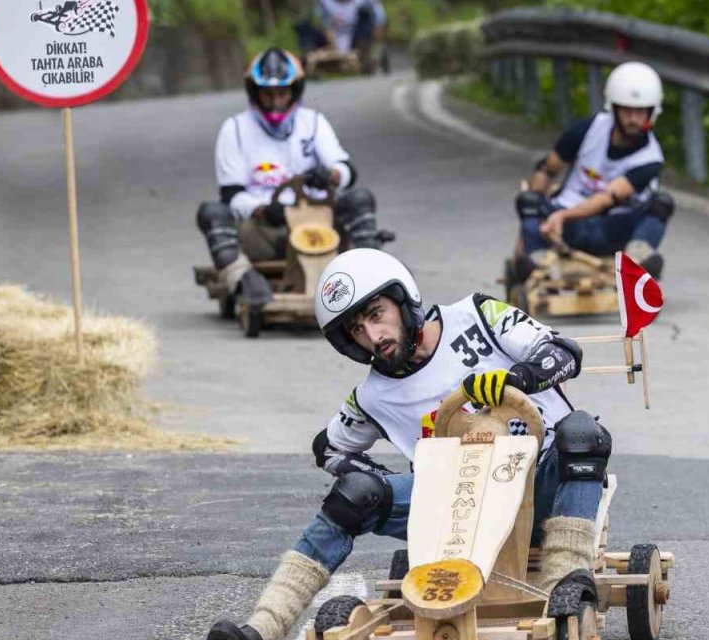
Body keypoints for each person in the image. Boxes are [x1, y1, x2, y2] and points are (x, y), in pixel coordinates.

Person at [206, 249, 614, 640]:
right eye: (356, 330)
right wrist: (385, 481)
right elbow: (328, 449)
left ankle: (566, 588)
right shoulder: (371, 397)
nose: (373, 336)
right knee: (356, 493)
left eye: (375, 314)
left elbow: (564, 352)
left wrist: (517, 379)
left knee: (580, 431)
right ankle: (263, 626)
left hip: (538, 483)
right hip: (454, 503)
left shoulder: (478, 315)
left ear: (403, 301)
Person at [197, 48, 385, 313]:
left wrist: (330, 175)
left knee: (360, 198)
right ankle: (244, 280)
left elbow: (346, 170)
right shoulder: (234, 129)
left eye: (282, 93)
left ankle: (374, 278)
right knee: (211, 212)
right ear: (255, 92)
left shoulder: (314, 123)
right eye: (268, 94)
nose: (276, 102)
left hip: (320, 226)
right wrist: (260, 209)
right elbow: (231, 195)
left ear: (294, 91)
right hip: (266, 230)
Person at [515, 61, 675, 279]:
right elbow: (548, 170)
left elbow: (607, 198)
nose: (634, 119)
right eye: (627, 111)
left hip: (615, 229)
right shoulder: (587, 130)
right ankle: (537, 260)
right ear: (614, 109)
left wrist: (563, 215)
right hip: (569, 228)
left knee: (662, 203)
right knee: (528, 200)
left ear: (652, 113)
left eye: (641, 112)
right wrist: (529, 225)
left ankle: (638, 258)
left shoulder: (651, 159)